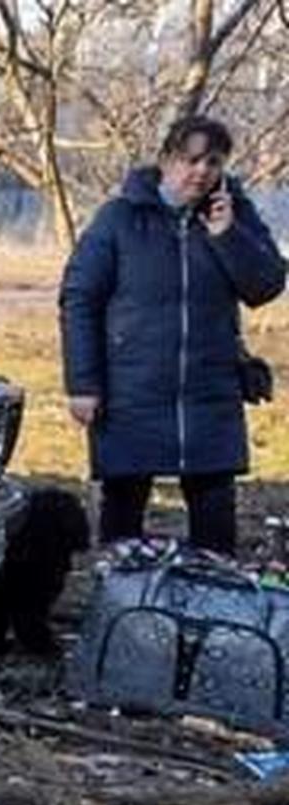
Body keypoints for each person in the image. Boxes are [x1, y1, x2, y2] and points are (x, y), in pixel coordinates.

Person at [59, 115, 286, 555]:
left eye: (213, 162)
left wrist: (227, 236)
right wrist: (83, 385)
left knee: (216, 521)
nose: (201, 171)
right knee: (123, 515)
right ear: (167, 160)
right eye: (191, 159)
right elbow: (79, 298)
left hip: (209, 393)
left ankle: (214, 613)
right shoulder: (120, 218)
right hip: (132, 391)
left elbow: (266, 285)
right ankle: (124, 612)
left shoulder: (234, 215)